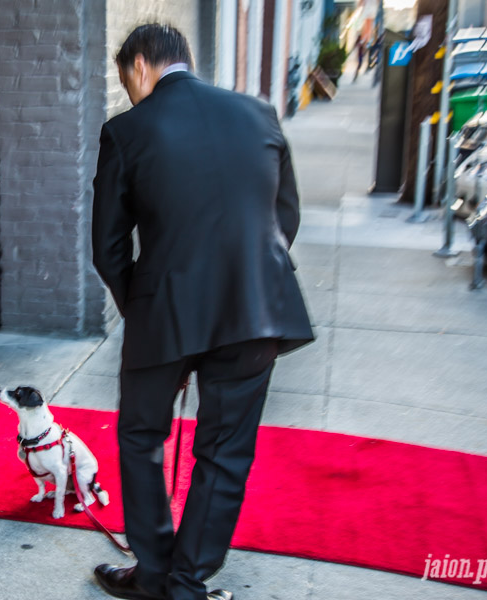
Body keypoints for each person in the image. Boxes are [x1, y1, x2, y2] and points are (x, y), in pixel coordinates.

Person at [91, 24, 314, 600]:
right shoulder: (260, 114)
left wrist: (141, 306)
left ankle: (154, 570)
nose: (129, 93)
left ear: (139, 65)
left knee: (141, 437)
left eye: (126, 81)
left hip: (164, 309)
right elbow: (283, 217)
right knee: (226, 450)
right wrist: (247, 274)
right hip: (256, 308)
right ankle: (187, 583)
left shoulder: (126, 131)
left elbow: (108, 248)